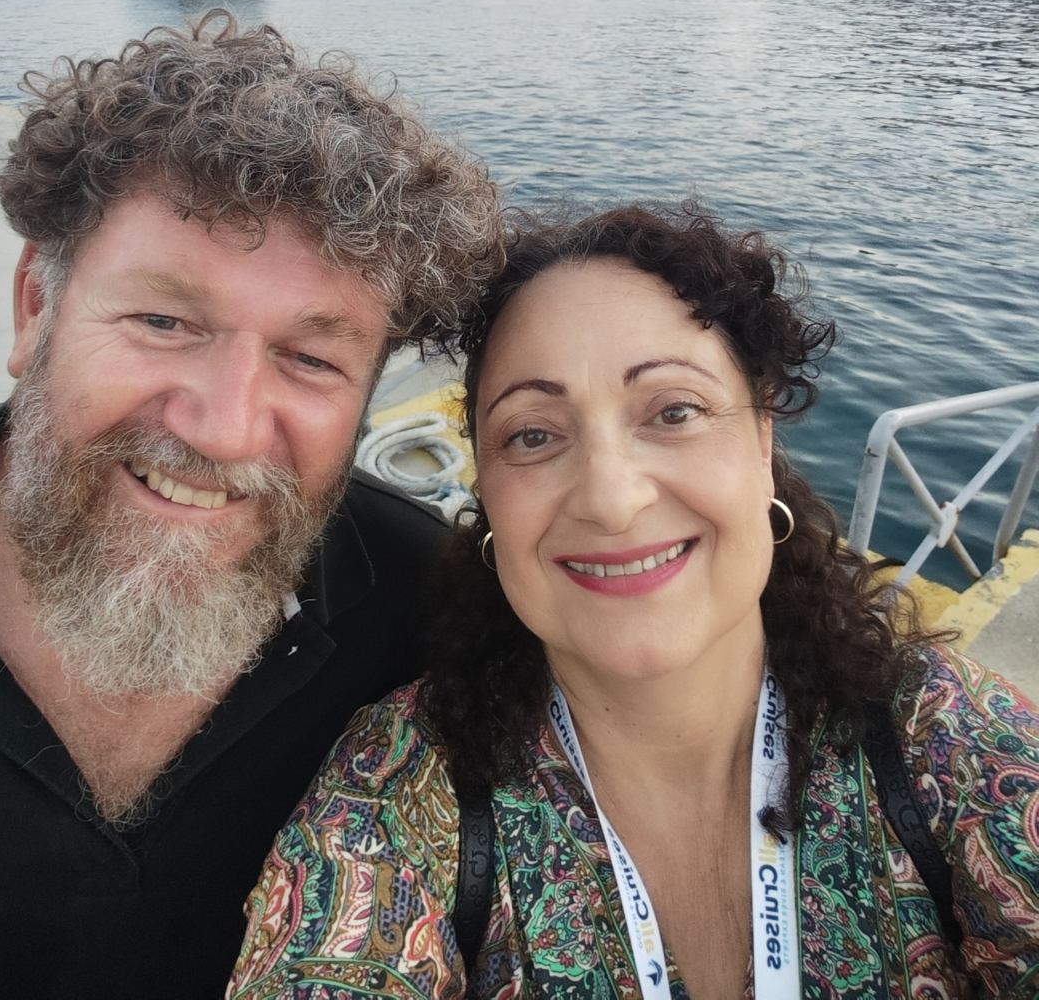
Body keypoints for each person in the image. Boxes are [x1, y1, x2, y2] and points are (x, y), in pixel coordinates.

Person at [0, 11, 503, 1000]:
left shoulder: (440, 623)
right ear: (36, 307)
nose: (224, 429)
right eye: (162, 319)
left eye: (310, 358)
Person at [229, 202, 1039, 1000]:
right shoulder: (394, 792)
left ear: (762, 442)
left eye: (674, 412)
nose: (612, 500)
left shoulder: (943, 740)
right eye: (533, 434)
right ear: (489, 492)